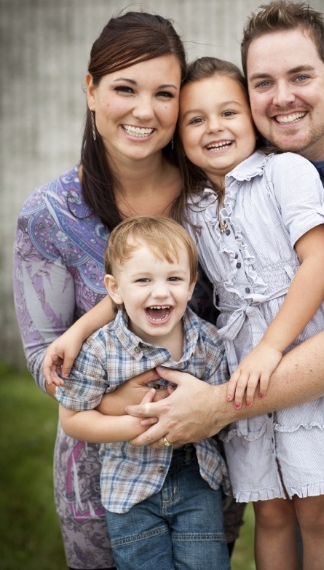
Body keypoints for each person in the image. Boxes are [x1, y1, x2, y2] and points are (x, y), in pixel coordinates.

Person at [127, 0, 324, 570]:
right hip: (253, 386)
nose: (282, 97)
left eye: (300, 76)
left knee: (322, 524)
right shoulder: (202, 202)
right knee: (275, 517)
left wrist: (226, 395)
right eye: (265, 82)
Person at [13, 10, 243, 570]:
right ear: (91, 91)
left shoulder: (214, 196)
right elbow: (49, 357)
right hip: (99, 480)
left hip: (205, 469)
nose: (145, 111)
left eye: (164, 93)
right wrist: (135, 407)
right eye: (124, 88)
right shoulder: (49, 215)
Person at [176, 56, 324, 570]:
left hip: (302, 351)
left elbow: (321, 260)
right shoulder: (191, 204)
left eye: (228, 111)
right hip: (241, 366)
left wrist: (271, 347)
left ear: (252, 116)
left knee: (318, 515)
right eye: (195, 119)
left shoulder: (284, 172)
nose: (215, 128)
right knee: (269, 515)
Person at [55, 215, 231, 570]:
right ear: (115, 288)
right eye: (143, 280)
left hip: (197, 480)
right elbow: (73, 417)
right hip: (128, 487)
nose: (161, 291)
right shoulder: (101, 349)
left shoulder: (209, 344)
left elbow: (221, 416)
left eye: (174, 279)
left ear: (192, 283)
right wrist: (137, 427)